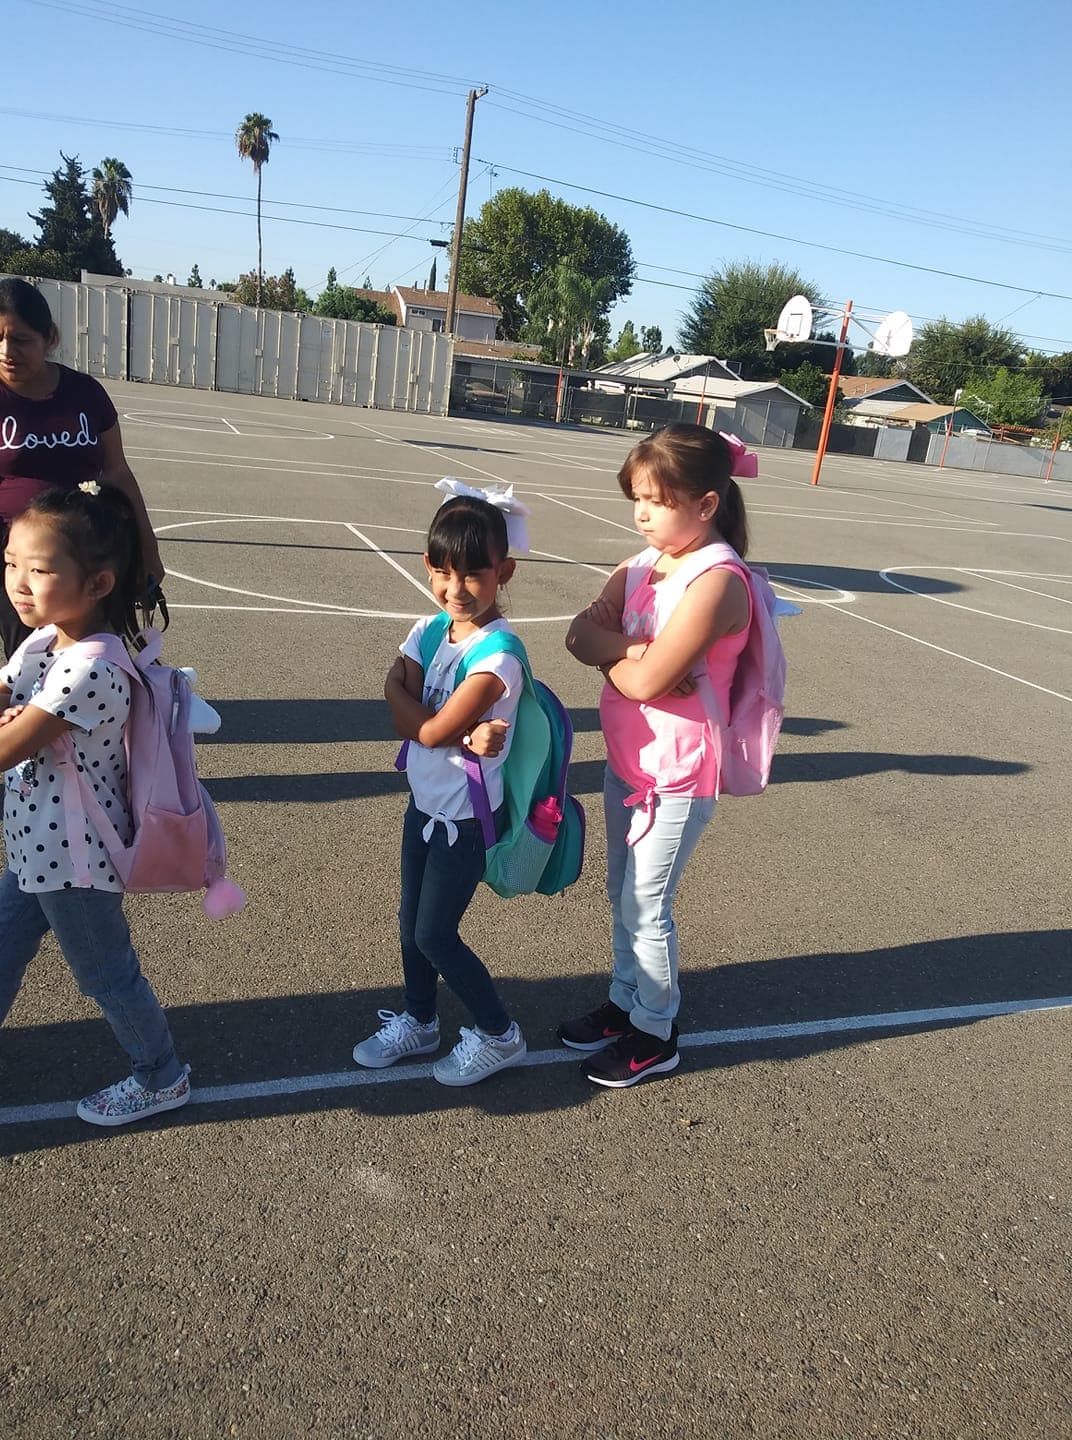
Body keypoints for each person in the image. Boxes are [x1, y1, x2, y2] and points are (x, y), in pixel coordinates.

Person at [559, 423, 756, 1088]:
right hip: (628, 761)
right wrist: (634, 652)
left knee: (647, 902)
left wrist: (617, 653)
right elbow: (576, 636)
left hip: (679, 773)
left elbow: (622, 668)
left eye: (657, 500)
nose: (641, 513)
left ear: (705, 504)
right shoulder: (639, 565)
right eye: (635, 498)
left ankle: (656, 1030)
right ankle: (624, 1002)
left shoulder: (717, 582)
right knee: (621, 893)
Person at [0, 482, 190, 1126]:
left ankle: (161, 1075)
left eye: (40, 569)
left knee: (107, 976)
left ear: (100, 583)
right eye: (10, 564)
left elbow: (7, 745)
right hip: (36, 843)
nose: (18, 583)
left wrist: (14, 718)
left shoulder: (93, 668)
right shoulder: (43, 641)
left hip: (76, 857)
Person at [353, 482, 530, 1087]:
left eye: (474, 575)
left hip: (465, 819)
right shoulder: (431, 629)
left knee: (434, 932)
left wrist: (428, 720)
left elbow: (426, 728)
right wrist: (432, 721)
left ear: (503, 571)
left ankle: (500, 1034)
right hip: (425, 804)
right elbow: (390, 687)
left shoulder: (500, 653)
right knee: (410, 924)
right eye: (443, 572)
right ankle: (420, 1021)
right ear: (428, 567)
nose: (456, 589)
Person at [0, 277, 164, 659]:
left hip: (85, 549)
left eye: (21, 339)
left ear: (50, 337)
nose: (7, 351)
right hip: (20, 556)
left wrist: (146, 547)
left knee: (98, 648)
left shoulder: (85, 393)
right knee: (32, 656)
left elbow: (117, 472)